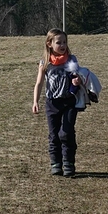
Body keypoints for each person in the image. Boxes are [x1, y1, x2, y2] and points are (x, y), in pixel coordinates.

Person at [32, 28, 83, 177]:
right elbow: (39, 83)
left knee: (66, 133)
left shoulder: (71, 60)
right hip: (52, 103)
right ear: (49, 44)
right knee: (54, 135)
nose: (62, 45)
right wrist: (35, 101)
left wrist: (77, 80)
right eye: (58, 42)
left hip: (69, 102)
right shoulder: (45, 62)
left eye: (64, 42)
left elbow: (79, 77)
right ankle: (56, 163)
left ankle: (68, 162)